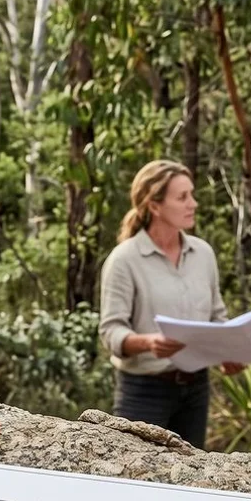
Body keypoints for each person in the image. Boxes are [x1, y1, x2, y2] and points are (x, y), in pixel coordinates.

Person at [98, 160, 241, 448]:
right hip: (143, 392)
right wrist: (149, 343)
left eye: (192, 194)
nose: (193, 204)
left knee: (188, 483)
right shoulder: (124, 260)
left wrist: (229, 349)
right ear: (154, 206)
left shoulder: (203, 253)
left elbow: (217, 317)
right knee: (135, 484)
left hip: (196, 388)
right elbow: (110, 331)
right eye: (182, 197)